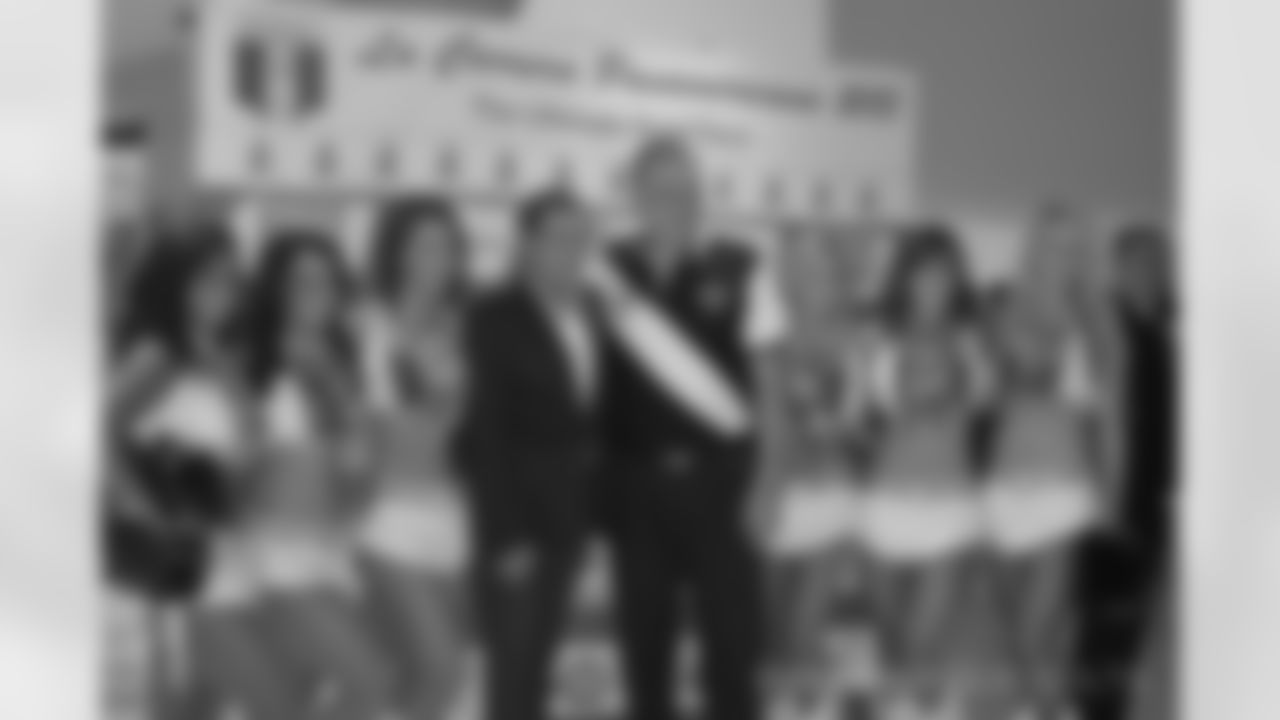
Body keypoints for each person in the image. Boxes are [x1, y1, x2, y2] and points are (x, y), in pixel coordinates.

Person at [589, 135, 790, 720]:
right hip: (634, 486)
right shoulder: (603, 272)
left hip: (722, 484)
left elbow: (771, 392)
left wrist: (769, 484)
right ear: (635, 197)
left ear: (701, 195)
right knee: (644, 649)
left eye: (685, 189)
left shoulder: (741, 268)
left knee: (733, 650)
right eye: (659, 190)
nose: (674, 202)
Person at [105, 223, 299, 719]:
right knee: (277, 703)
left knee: (201, 705)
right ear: (176, 281)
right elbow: (98, 433)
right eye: (208, 276)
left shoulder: (219, 354)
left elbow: (249, 448)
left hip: (233, 551)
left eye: (232, 278)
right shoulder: (160, 352)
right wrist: (147, 513)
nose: (224, 290)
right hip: (187, 564)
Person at [241, 230, 401, 720]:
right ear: (275, 288)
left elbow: (361, 450)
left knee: (294, 694)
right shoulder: (251, 360)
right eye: (302, 282)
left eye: (328, 282)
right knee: (372, 680)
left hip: (333, 548)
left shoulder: (344, 357)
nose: (318, 293)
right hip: (272, 555)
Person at [456, 188, 603, 720]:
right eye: (559, 237)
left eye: (581, 238)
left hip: (571, 519)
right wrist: (505, 535)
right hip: (517, 526)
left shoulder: (596, 313)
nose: (572, 250)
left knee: (537, 666)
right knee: (514, 672)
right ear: (527, 243)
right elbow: (484, 433)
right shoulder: (492, 316)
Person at [981, 207, 1124, 719]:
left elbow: (1110, 417)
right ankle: (1042, 707)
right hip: (1003, 485)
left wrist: (1111, 489)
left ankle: (1039, 709)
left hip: (1066, 489)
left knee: (1034, 626)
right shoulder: (1003, 309)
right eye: (1051, 243)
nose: (1062, 255)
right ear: (1033, 248)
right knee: (1018, 634)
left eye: (1073, 245)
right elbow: (1010, 384)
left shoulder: (1100, 322)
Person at [855, 224, 992, 713]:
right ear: (904, 277)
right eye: (923, 272)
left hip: (950, 508)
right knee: (892, 645)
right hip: (884, 506)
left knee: (921, 642)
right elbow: (857, 424)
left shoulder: (974, 341)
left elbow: (983, 423)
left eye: (944, 272)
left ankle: (919, 704)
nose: (934, 283)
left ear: (957, 278)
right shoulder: (877, 337)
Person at [355, 196, 475, 720]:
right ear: (397, 252)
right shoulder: (365, 327)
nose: (440, 257)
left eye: (449, 245)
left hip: (452, 520)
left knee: (408, 677)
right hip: (384, 520)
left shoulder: (465, 328)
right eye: (426, 244)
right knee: (443, 669)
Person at [1073, 224, 1176, 720]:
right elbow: (1090, 417)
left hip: (1152, 498)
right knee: (1105, 624)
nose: (1151, 273)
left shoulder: (1160, 328)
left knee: (1131, 622)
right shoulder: (1106, 326)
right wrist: (1106, 500)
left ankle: (1108, 706)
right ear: (1117, 268)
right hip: (1112, 497)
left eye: (1158, 262)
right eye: (1139, 262)